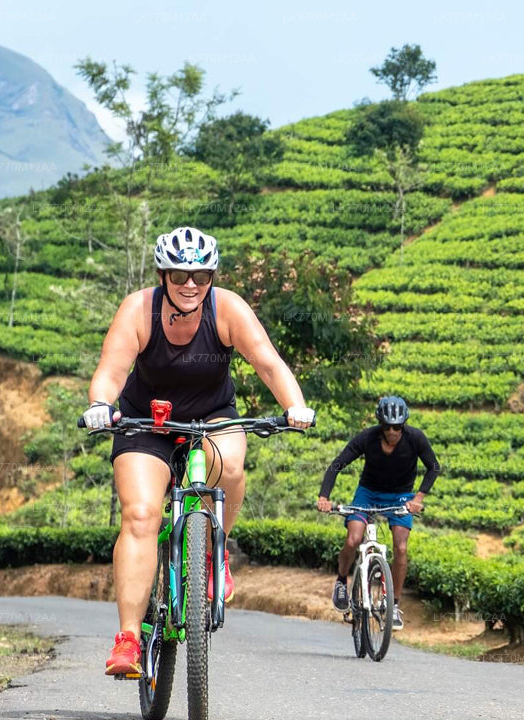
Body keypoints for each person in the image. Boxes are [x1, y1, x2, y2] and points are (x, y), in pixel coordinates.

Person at [83, 227, 315, 676]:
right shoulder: (138, 309)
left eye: (202, 275)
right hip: (144, 421)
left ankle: (213, 553)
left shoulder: (226, 308)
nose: (191, 284)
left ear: (211, 277)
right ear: (163, 274)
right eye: (180, 275)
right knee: (140, 514)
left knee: (229, 465)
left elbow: (267, 361)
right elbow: (111, 370)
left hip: (211, 416)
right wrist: (99, 405)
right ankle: (128, 639)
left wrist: (295, 406)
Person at [317, 395, 439, 629]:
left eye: (397, 427)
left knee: (401, 547)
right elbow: (337, 464)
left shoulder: (415, 438)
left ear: (404, 425)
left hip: (401, 496)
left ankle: (393, 605)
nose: (393, 431)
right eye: (387, 427)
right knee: (353, 540)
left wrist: (418, 498)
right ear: (381, 426)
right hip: (368, 493)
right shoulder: (367, 437)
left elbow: (433, 467)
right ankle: (342, 581)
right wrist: (324, 497)